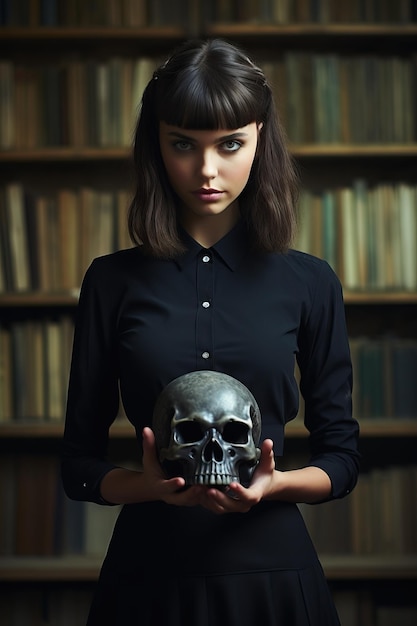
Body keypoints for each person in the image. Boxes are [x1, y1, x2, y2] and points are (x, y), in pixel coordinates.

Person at [62, 38, 360, 625]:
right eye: (183, 145)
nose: (206, 170)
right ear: (157, 147)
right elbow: (78, 466)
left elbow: (343, 458)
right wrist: (149, 487)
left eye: (230, 145)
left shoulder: (310, 282)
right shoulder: (110, 281)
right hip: (147, 579)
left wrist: (272, 487)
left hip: (273, 580)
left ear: (260, 141)